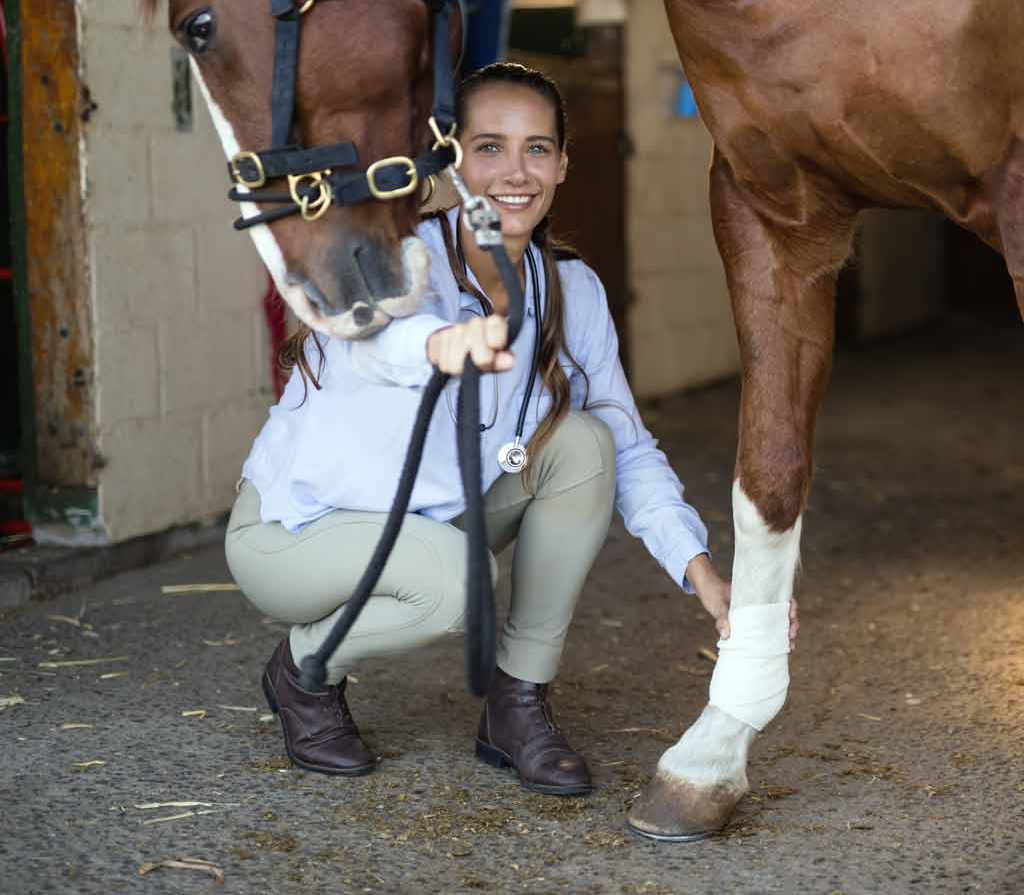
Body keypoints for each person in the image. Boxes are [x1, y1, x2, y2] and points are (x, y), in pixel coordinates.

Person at [226, 62, 792, 796]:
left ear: (562, 164)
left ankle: (517, 705)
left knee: (586, 444)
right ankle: (303, 672)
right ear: (451, 159)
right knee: (460, 588)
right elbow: (369, 346)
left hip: (432, 519)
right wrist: (432, 345)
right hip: (295, 533)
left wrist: (704, 573)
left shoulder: (571, 287)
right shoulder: (397, 258)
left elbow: (628, 442)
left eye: (535, 149)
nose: (514, 171)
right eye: (488, 146)